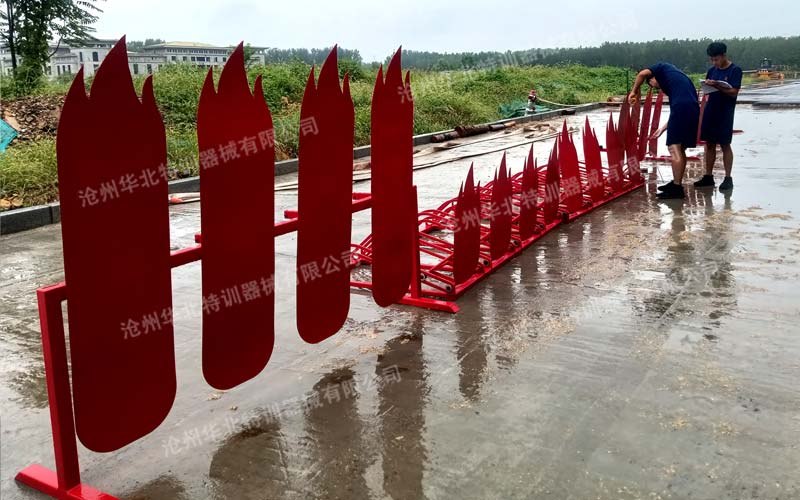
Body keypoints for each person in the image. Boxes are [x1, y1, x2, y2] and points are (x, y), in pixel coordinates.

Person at [629, 62, 699, 200]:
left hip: (683, 108)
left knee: (674, 147)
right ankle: (676, 183)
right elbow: (678, 110)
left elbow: (641, 74)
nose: (655, 87)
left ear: (652, 78)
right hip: (692, 109)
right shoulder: (675, 78)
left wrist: (633, 92)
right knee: (680, 148)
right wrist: (662, 129)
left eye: (651, 84)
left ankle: (677, 189)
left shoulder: (661, 68)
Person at [694, 42, 742, 191]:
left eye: (716, 59)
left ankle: (728, 178)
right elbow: (707, 90)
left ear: (724, 55)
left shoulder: (735, 70)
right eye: (712, 59)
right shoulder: (711, 71)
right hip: (711, 109)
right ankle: (708, 176)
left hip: (725, 112)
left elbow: (733, 92)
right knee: (709, 144)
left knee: (725, 144)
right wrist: (707, 85)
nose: (714, 62)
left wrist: (718, 86)